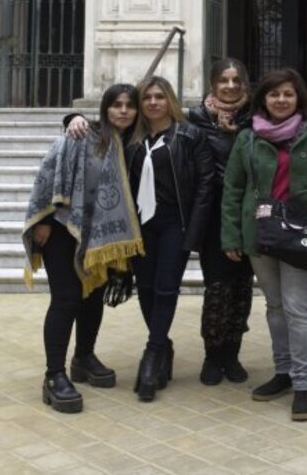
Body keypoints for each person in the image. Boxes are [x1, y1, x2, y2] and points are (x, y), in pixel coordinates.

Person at [221, 68, 307, 421]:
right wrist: (231, 235)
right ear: (263, 98)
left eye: (288, 94)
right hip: (259, 234)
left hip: (302, 233)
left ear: (299, 99)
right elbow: (233, 188)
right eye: (274, 94)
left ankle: (305, 382)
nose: (281, 100)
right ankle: (283, 372)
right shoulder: (247, 138)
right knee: (275, 306)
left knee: (297, 307)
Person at [22, 84, 144, 413]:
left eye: (129, 105)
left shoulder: (134, 144)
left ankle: (84, 358)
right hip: (62, 229)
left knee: (92, 295)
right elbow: (48, 172)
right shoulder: (81, 134)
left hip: (102, 236)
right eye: (116, 105)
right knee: (66, 298)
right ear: (105, 109)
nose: (123, 111)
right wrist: (44, 218)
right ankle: (54, 376)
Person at [126, 76, 214, 401]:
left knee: (165, 288)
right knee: (146, 289)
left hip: (174, 222)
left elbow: (206, 185)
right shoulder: (132, 138)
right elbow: (100, 128)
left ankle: (152, 354)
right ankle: (164, 344)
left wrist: (193, 232)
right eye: (146, 97)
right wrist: (72, 119)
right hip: (141, 226)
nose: (152, 102)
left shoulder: (190, 135)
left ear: (170, 100)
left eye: (159, 97)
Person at [187, 58, 255, 386]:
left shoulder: (258, 119)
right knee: (217, 287)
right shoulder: (194, 120)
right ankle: (213, 353)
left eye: (236, 80)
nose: (230, 86)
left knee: (242, 286)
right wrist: (74, 119)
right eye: (224, 80)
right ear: (213, 84)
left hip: (250, 216)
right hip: (213, 216)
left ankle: (232, 352)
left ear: (245, 84)